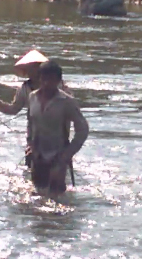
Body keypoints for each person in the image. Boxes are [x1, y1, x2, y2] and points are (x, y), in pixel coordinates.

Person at [0, 50, 71, 168]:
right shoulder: (24, 89)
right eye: (28, 68)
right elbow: (14, 109)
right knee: (32, 165)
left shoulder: (58, 86)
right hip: (35, 136)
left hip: (57, 136)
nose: (30, 71)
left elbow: (69, 110)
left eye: (33, 68)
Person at [27, 60, 89, 196]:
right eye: (44, 79)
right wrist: (30, 144)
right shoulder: (32, 97)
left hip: (58, 157)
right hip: (37, 156)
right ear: (39, 78)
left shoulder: (67, 102)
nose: (46, 83)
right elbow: (31, 123)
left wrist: (67, 155)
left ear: (59, 81)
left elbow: (83, 130)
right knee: (36, 198)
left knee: (57, 200)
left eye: (51, 80)